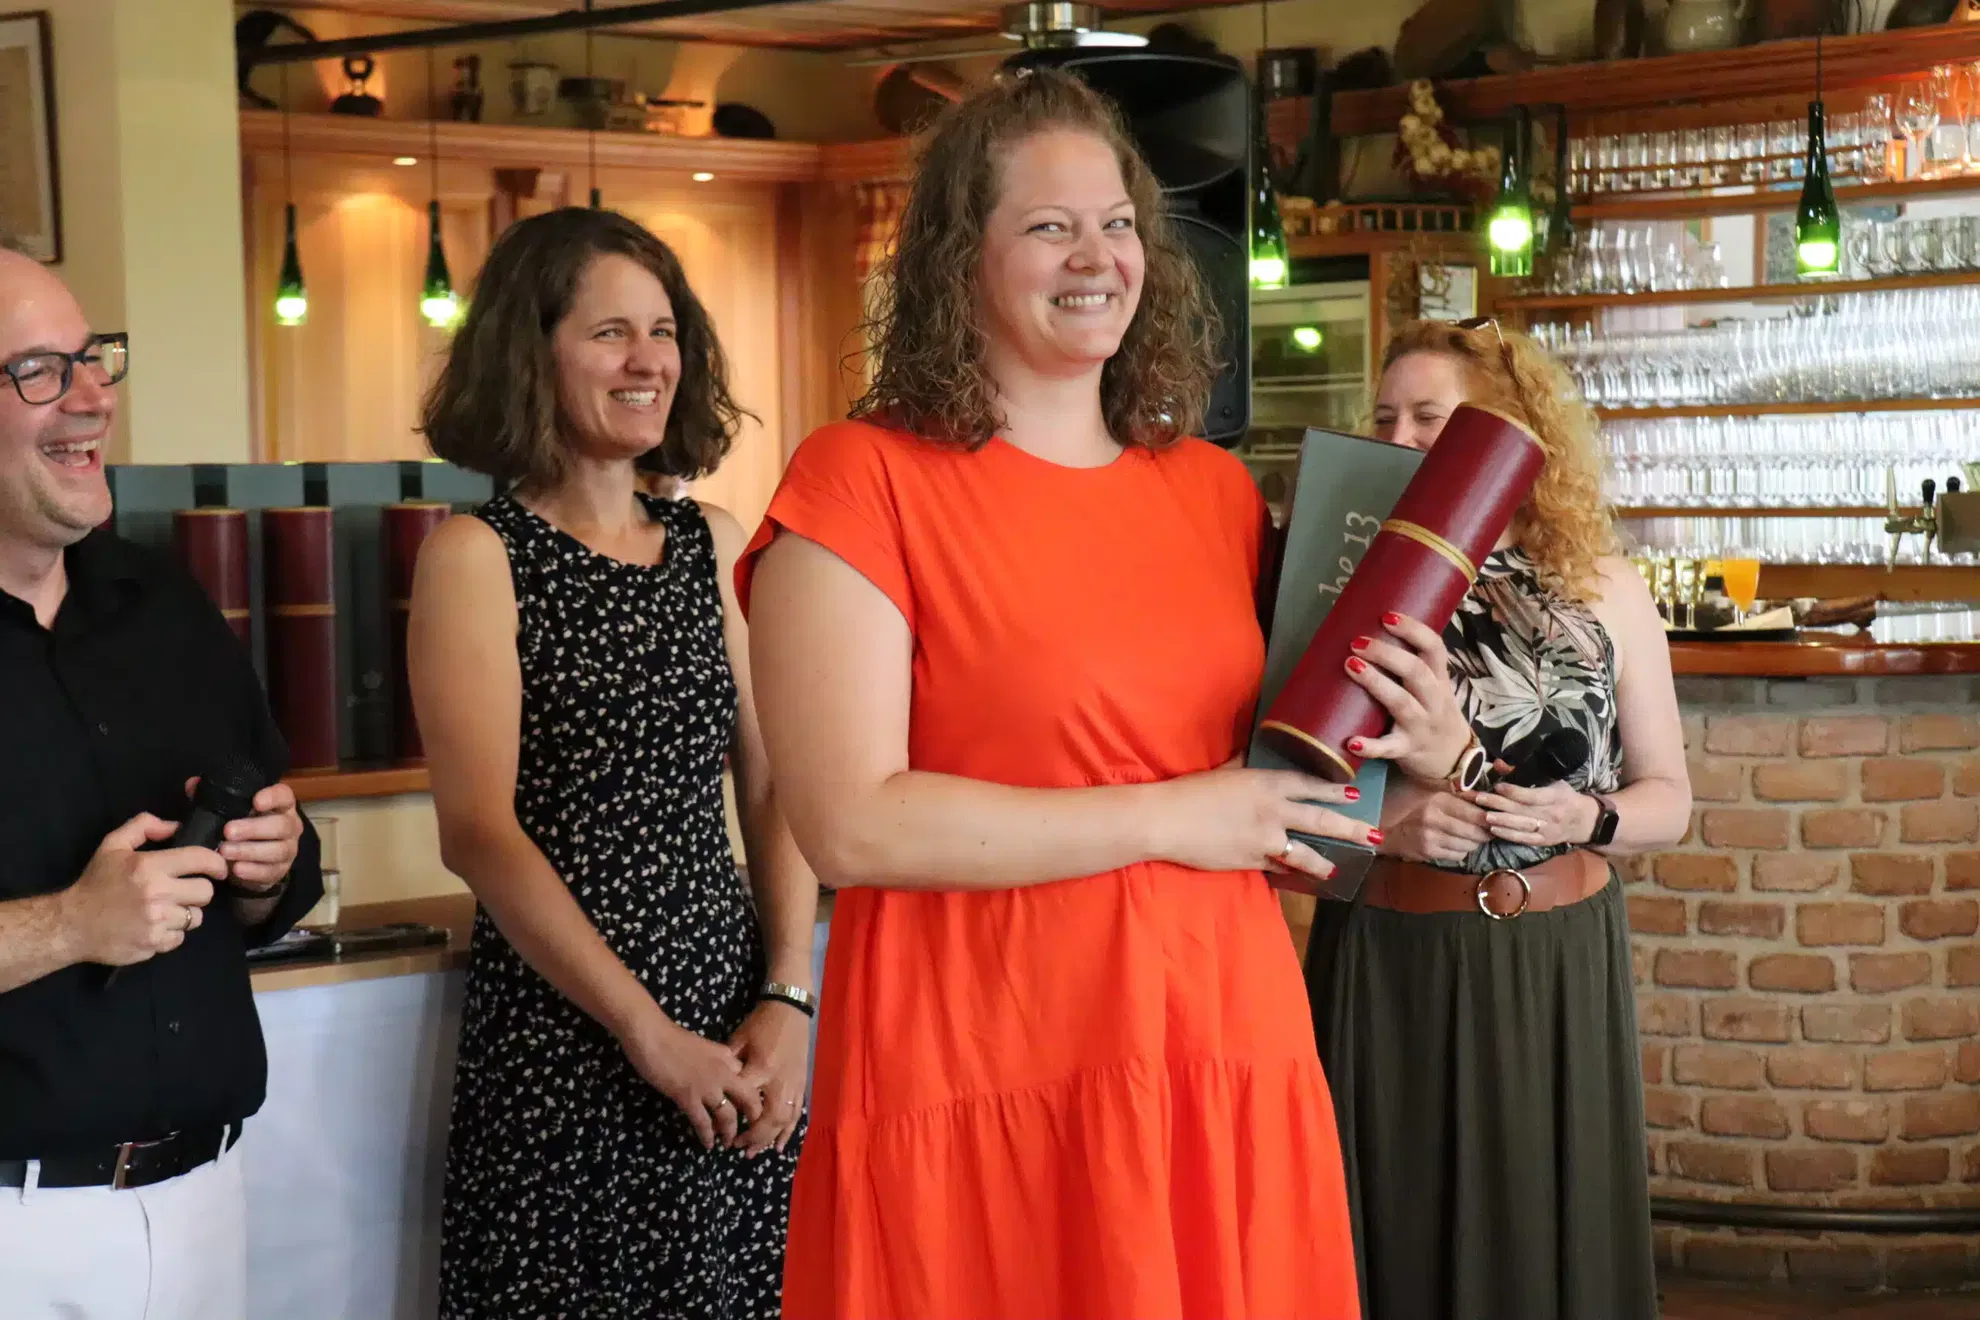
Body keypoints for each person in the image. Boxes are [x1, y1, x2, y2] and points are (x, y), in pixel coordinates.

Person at [739, 69, 1364, 1319]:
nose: (1097, 257)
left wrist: (1411, 754)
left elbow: (1271, 784)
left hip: (1218, 1032)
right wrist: (1175, 815)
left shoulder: (1214, 493)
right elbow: (851, 826)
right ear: (956, 261)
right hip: (986, 1048)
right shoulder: (861, 480)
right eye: (1048, 226)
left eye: (1118, 223)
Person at [409, 207, 817, 1319]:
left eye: (664, 330)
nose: (649, 361)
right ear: (529, 354)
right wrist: (647, 1034)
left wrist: (787, 993)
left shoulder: (713, 541)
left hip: (735, 1027)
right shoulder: (475, 557)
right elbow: (478, 832)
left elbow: (774, 781)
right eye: (609, 333)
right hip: (569, 1038)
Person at [1310, 316, 1692, 1320]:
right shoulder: (1343, 583)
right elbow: (1286, 798)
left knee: (1549, 1247)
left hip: (1558, 957)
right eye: (1384, 419)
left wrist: (1589, 816)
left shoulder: (1605, 587)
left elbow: (1670, 801)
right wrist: (1388, 827)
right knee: (1393, 1237)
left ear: (1509, 433)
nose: (1398, 440)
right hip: (1394, 954)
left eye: (1428, 418)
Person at [0, 249, 322, 1318]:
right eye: (39, 370)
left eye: (92, 358)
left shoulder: (166, 604)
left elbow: (281, 874)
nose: (93, 396)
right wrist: (69, 925)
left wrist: (269, 866)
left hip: (205, 1204)